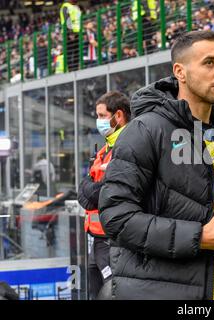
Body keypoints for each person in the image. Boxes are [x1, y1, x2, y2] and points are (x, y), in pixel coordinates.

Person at [98, 30, 214, 300]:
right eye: (209, 62)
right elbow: (116, 218)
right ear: (180, 71)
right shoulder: (145, 130)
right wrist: (198, 237)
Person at [77, 91, 131, 300]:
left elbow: (108, 191)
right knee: (95, 291)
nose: (98, 121)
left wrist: (92, 190)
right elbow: (85, 192)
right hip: (97, 239)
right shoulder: (103, 150)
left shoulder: (128, 145)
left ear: (118, 116)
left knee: (111, 293)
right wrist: (92, 190)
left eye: (101, 116)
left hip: (113, 239)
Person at [60, 0, 81, 71]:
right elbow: (67, 19)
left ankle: (75, 68)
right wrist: (71, 33)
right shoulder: (65, 6)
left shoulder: (75, 7)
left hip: (77, 32)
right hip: (69, 33)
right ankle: (71, 69)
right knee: (70, 52)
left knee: (76, 52)